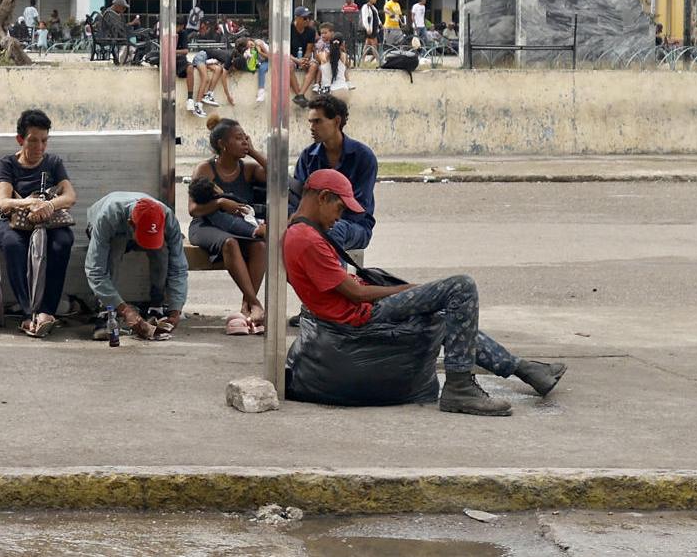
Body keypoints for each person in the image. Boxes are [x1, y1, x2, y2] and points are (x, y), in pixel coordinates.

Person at [287, 169, 566, 416]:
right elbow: (355, 294)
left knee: (449, 314)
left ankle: (524, 369)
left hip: (353, 313)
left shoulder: (301, 231)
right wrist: (409, 290)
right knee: (461, 287)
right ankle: (460, 387)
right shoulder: (308, 239)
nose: (339, 218)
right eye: (339, 209)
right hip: (359, 317)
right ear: (323, 197)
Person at [0, 109, 77, 338]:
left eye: (44, 141)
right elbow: (4, 202)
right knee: (12, 244)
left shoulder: (53, 162)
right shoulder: (7, 163)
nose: (39, 147)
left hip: (48, 222)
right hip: (15, 222)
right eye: (33, 141)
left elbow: (69, 196)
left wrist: (48, 205)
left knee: (63, 241)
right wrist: (30, 203)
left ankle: (47, 311)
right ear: (21, 139)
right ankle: (28, 313)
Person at [189, 120, 268, 327]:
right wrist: (221, 203)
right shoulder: (205, 169)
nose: (244, 142)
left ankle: (246, 308)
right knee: (229, 243)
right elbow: (194, 210)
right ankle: (255, 304)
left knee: (260, 246)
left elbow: (279, 178)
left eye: (245, 138)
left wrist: (254, 152)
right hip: (205, 225)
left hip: (240, 226)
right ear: (223, 144)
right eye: (238, 138)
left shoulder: (248, 169)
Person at [83, 190, 187, 341]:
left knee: (162, 250)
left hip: (138, 226)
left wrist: (175, 310)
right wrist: (125, 311)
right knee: (115, 248)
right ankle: (107, 311)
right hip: (112, 230)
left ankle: (156, 307)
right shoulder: (107, 217)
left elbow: (179, 267)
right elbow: (95, 270)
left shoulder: (167, 216)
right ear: (131, 224)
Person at [291, 93, 376, 252]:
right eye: (310, 122)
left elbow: (359, 207)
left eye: (317, 121)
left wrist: (324, 222)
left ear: (337, 121)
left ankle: (331, 277)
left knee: (334, 230)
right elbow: (298, 198)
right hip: (314, 222)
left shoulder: (364, 157)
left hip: (354, 226)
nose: (312, 128)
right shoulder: (307, 157)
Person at [289, 7, 321, 99]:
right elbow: (284, 52)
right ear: (297, 18)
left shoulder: (311, 31)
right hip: (291, 58)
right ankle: (298, 94)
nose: (307, 20)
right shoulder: (288, 29)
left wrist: (305, 60)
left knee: (314, 65)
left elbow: (309, 50)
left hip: (302, 58)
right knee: (289, 65)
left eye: (309, 18)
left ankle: (301, 94)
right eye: (304, 18)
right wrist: (297, 61)